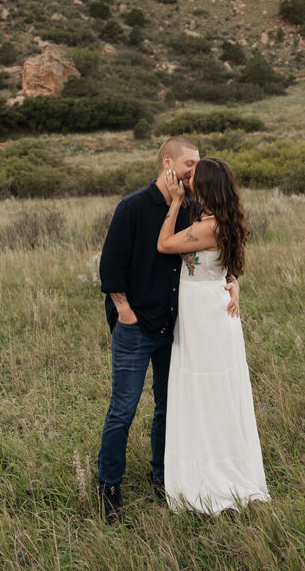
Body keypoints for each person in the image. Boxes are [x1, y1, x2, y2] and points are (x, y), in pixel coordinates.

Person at [97, 138, 240, 523]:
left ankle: (162, 477)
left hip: (175, 327)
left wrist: (232, 280)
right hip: (135, 326)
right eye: (189, 163)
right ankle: (108, 489)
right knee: (123, 410)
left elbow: (214, 252)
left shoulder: (194, 208)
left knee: (168, 407)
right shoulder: (133, 207)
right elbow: (110, 269)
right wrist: (124, 312)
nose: (194, 170)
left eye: (197, 164)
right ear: (167, 163)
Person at [158, 156, 269, 514]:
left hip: (204, 313)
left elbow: (164, 244)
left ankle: (214, 476)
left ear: (205, 188)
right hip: (212, 307)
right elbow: (226, 269)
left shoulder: (208, 228)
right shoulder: (220, 221)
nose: (187, 182)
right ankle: (217, 461)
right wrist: (232, 283)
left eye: (192, 179)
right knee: (213, 389)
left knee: (204, 389)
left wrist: (174, 203)